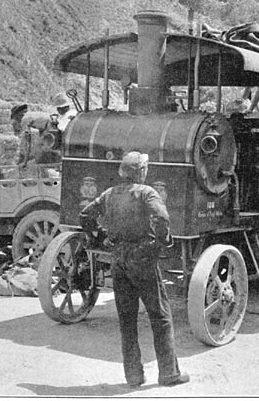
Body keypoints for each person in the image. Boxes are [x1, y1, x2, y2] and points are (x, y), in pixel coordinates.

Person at [78, 152, 189, 388]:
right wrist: (161, 242)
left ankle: (134, 377)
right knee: (160, 317)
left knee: (127, 320)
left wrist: (100, 238)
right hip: (142, 258)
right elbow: (161, 218)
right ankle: (169, 374)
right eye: (145, 168)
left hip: (118, 259)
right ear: (141, 172)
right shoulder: (147, 192)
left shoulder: (109, 194)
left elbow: (86, 215)